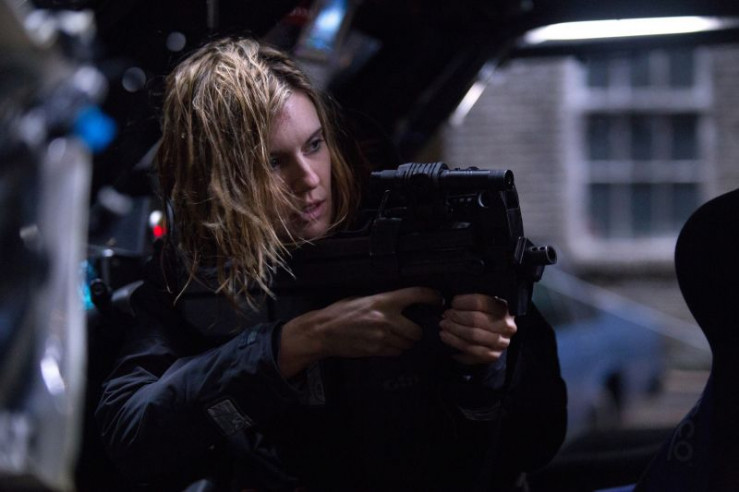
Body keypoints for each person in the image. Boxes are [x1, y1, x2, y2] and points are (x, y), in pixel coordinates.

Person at [95, 36, 567, 491]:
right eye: (273, 162)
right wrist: (297, 342)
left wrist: (489, 366)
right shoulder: (201, 273)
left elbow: (538, 442)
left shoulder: (428, 241)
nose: (308, 179)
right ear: (220, 180)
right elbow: (130, 435)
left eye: (314, 144)